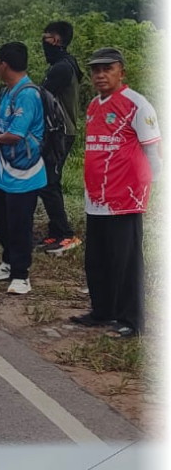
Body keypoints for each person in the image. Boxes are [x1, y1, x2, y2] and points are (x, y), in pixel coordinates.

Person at [68, 47, 160, 340]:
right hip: (97, 199)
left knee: (125, 262)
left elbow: (154, 152)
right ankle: (102, 310)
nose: (101, 75)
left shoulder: (137, 104)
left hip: (125, 198)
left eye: (108, 68)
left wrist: (148, 188)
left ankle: (130, 320)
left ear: (122, 71)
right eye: (96, 70)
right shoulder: (94, 105)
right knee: (97, 260)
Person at [0, 43, 46, 297]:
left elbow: (16, 134)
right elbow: (1, 125)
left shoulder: (28, 94)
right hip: (5, 170)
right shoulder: (8, 92)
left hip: (26, 172)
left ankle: (22, 275)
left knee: (20, 224)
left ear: (4, 65)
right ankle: (9, 262)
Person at [36, 22, 83, 255]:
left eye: (47, 37)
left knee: (48, 182)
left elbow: (41, 97)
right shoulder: (67, 64)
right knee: (48, 181)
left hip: (60, 133)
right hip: (63, 131)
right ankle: (55, 232)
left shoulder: (62, 68)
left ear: (56, 40)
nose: (44, 42)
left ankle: (66, 235)